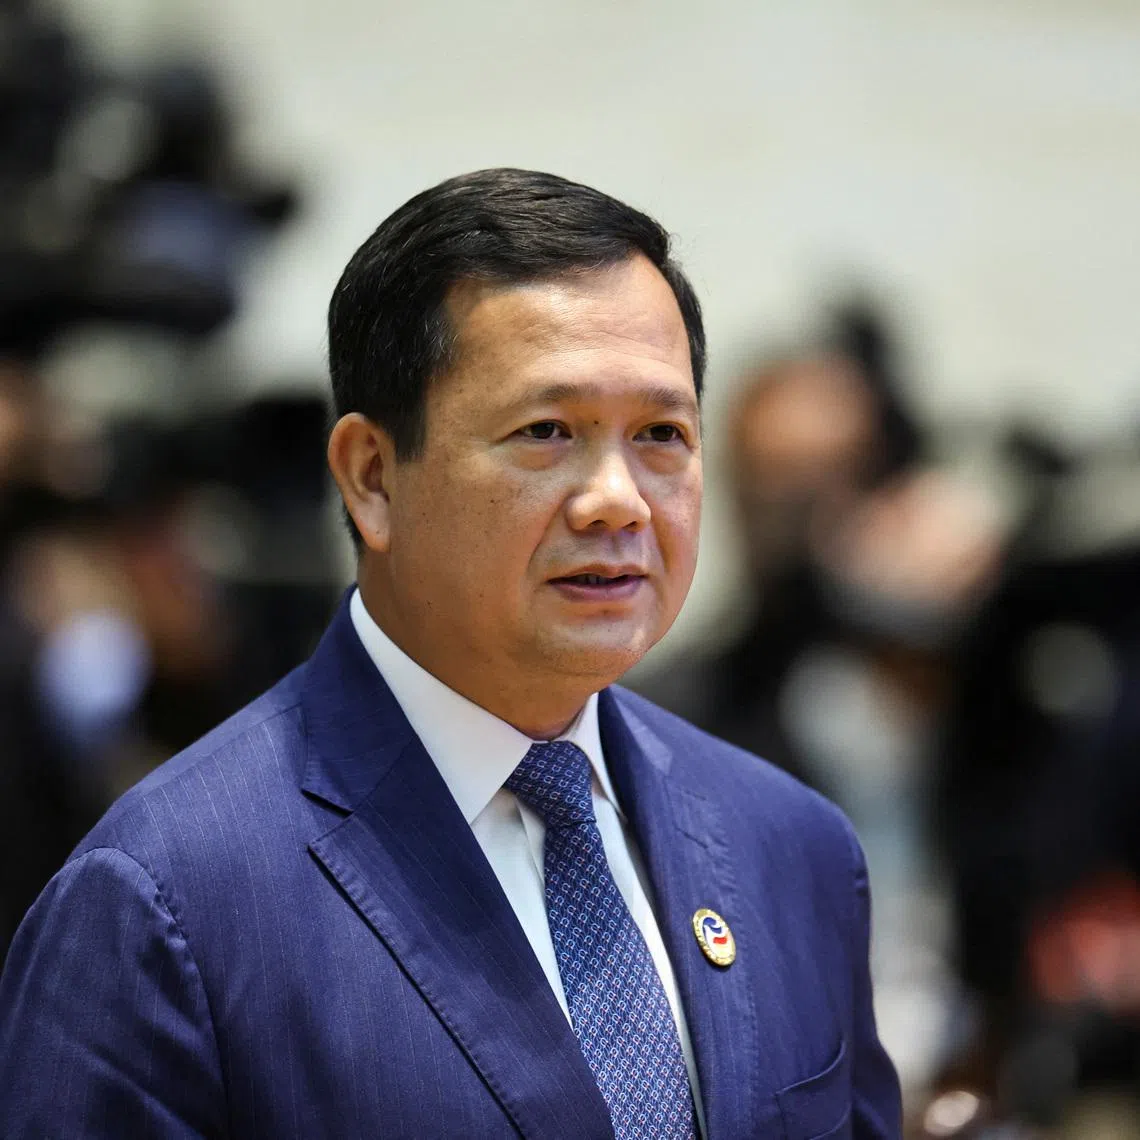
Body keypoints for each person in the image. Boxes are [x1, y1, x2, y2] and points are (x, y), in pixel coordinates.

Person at [0, 168, 900, 1138]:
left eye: (661, 435)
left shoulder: (794, 850)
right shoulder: (164, 905)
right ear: (373, 477)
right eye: (547, 431)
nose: (620, 500)